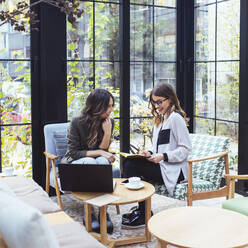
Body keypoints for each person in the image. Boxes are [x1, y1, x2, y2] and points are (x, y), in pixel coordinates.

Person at [122, 83, 192, 229]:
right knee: (129, 163)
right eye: (154, 102)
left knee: (131, 166)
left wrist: (163, 156)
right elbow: (158, 149)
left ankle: (143, 212)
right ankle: (143, 211)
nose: (157, 106)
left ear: (170, 99)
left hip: (175, 170)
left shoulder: (175, 118)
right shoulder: (160, 119)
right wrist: (149, 153)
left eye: (160, 101)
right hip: (163, 165)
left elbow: (185, 149)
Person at [62, 88, 119, 234]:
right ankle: (90, 212)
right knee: (91, 163)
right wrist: (100, 152)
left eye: (112, 105)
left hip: (94, 162)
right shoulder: (77, 122)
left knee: (102, 162)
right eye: (108, 106)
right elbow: (73, 153)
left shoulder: (108, 122)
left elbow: (103, 151)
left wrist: (107, 133)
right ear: (97, 105)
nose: (111, 110)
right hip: (75, 162)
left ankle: (103, 211)